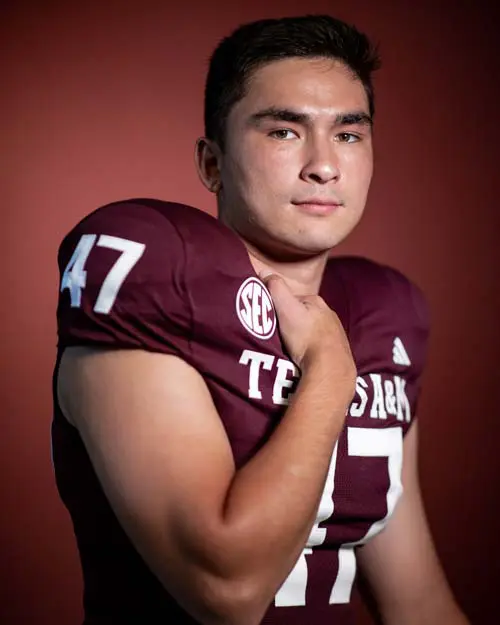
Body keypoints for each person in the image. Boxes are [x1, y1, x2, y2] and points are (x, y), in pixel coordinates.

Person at [52, 14, 470, 625]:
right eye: (283, 131)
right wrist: (329, 370)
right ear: (212, 164)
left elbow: (416, 601)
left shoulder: (384, 313)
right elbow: (229, 590)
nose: (324, 166)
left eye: (349, 135)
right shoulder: (155, 274)